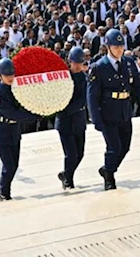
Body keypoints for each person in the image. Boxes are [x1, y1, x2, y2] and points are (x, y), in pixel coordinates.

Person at [87, 29, 140, 191]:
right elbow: (92, 97)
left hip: (124, 111)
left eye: (121, 46)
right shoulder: (99, 67)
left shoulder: (129, 63)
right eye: (116, 47)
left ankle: (107, 168)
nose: (119, 49)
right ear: (108, 47)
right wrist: (96, 119)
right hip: (107, 113)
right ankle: (109, 176)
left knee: (125, 147)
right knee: (114, 147)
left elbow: (138, 86)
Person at [0, 58, 36, 200]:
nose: (10, 78)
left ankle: (1, 185)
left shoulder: (17, 89)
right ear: (0, 74)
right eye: (7, 75)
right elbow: (11, 113)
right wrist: (31, 116)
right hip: (2, 132)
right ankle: (4, 193)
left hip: (14, 130)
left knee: (14, 165)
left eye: (12, 74)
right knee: (9, 166)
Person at [55, 46, 88, 190]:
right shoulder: (63, 77)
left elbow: (83, 99)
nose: (78, 66)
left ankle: (66, 174)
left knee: (80, 154)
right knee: (71, 154)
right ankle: (68, 180)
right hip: (65, 122)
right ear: (70, 62)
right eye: (76, 63)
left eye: (81, 63)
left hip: (79, 120)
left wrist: (69, 108)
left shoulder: (83, 78)